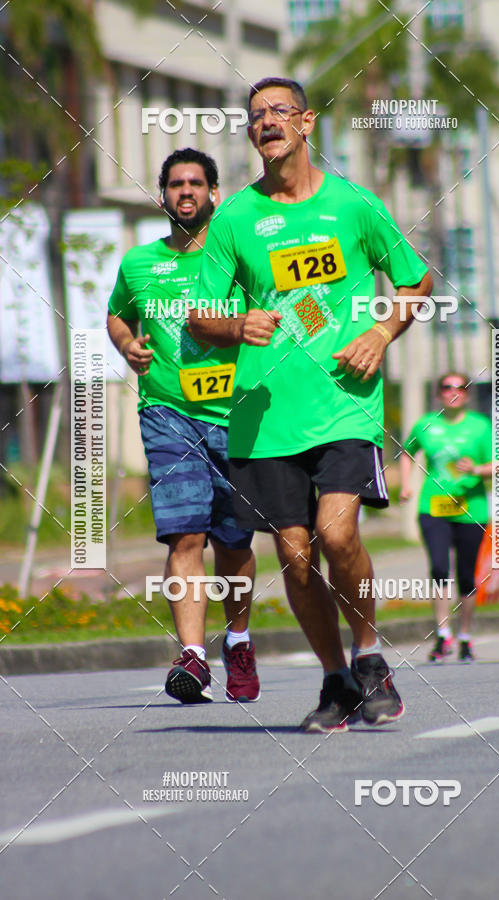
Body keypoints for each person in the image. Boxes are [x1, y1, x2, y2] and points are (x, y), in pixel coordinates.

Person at [187, 76, 432, 733]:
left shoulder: (353, 205)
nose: (267, 122)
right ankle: (335, 681)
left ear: (306, 122)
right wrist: (236, 327)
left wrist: (381, 332)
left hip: (345, 403)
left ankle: (371, 652)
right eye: (256, 115)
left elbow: (413, 278)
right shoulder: (235, 218)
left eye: (278, 112)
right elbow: (199, 316)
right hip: (265, 417)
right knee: (295, 555)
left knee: (337, 533)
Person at [106, 148, 260, 703]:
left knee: (234, 541)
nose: (186, 192)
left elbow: (289, 310)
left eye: (197, 183)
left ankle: (237, 639)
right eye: (176, 184)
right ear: (163, 194)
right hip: (167, 412)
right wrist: (128, 344)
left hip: (240, 415)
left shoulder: (240, 258)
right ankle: (192, 657)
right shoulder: (139, 262)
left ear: (214, 192)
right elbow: (117, 313)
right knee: (185, 532)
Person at [399, 373, 493, 662]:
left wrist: (476, 470)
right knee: (439, 567)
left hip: (470, 508)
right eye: (447, 387)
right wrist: (406, 483)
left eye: (460, 387)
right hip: (433, 507)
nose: (453, 392)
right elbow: (407, 451)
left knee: (466, 574)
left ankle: (465, 635)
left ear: (467, 393)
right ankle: (443, 635)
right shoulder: (426, 424)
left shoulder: (480, 426)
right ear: (439, 393)